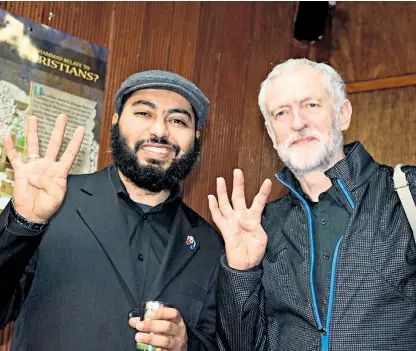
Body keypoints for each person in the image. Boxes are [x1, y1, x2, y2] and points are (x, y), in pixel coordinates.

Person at [0, 70, 223, 351]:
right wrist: (23, 223)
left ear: (196, 138)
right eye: (143, 113)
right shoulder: (53, 204)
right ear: (116, 122)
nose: (159, 131)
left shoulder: (209, 244)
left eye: (177, 120)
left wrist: (187, 344)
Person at [209, 58, 416, 351]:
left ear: (342, 114)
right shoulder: (263, 228)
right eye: (281, 113)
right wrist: (241, 272)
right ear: (271, 133)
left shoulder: (406, 195)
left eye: (311, 105)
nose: (297, 122)